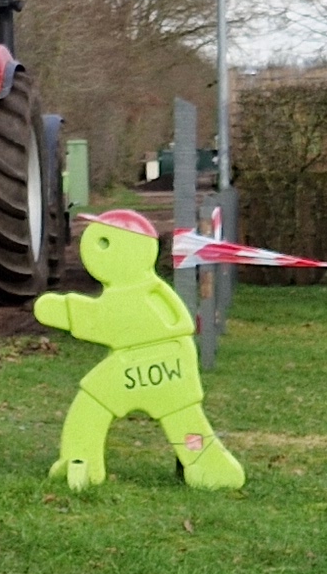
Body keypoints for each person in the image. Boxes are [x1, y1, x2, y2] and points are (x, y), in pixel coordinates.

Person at [32, 210, 244, 493]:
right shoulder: (153, 291)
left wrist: (63, 310)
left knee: (94, 402)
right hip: (160, 363)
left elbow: (101, 321)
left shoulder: (135, 293)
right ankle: (208, 465)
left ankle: (82, 460)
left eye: (104, 243)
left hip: (150, 362)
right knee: (181, 418)